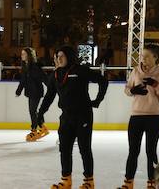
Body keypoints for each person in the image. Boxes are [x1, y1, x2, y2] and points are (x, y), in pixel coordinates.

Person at [37, 44, 108, 189]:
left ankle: (89, 181)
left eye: (62, 56)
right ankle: (66, 180)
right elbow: (49, 96)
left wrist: (98, 99)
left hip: (83, 116)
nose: (59, 59)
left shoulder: (81, 70)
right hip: (66, 117)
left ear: (69, 56)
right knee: (64, 148)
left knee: (84, 148)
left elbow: (103, 81)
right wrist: (40, 112)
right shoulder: (55, 75)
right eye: (57, 56)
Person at [117, 44, 159, 189]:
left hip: (153, 119)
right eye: (142, 56)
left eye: (147, 56)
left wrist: (156, 85)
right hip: (136, 118)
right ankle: (128, 183)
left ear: (155, 58)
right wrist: (132, 90)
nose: (143, 59)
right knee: (133, 151)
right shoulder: (135, 71)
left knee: (150, 152)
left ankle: (152, 182)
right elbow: (127, 90)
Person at [15, 46, 49, 142]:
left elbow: (44, 78)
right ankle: (42, 127)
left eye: (24, 54)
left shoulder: (34, 67)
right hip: (30, 92)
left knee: (32, 111)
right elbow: (23, 80)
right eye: (22, 54)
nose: (22, 56)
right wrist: (19, 91)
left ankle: (35, 129)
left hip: (36, 92)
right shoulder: (26, 66)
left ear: (29, 56)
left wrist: (52, 88)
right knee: (32, 111)